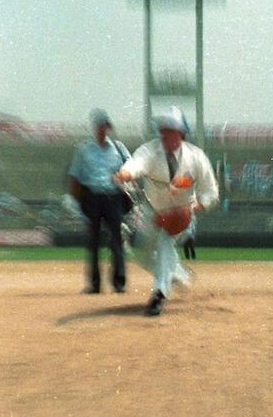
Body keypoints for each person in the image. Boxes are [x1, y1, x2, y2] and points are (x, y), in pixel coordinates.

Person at [116, 106, 218, 316]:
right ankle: (178, 274)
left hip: (183, 215)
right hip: (153, 212)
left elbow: (211, 191)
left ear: (182, 133)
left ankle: (159, 295)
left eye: (172, 131)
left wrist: (196, 207)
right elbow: (136, 163)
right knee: (140, 255)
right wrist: (126, 174)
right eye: (164, 131)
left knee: (164, 242)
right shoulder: (150, 151)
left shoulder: (196, 157)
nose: (167, 136)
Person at [68, 109, 130, 294]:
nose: (103, 129)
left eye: (106, 126)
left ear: (109, 127)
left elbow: (132, 170)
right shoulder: (83, 149)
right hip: (92, 198)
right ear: (95, 128)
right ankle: (94, 285)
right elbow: (75, 176)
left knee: (117, 242)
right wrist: (75, 202)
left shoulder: (119, 149)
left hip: (114, 197)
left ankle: (119, 283)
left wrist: (125, 179)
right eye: (100, 126)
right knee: (93, 242)